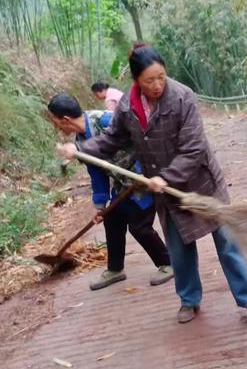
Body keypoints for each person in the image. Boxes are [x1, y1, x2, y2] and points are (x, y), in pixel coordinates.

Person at [57, 46, 247, 326]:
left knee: (226, 242)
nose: (157, 85)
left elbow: (194, 149)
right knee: (180, 248)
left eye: (161, 77)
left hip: (202, 184)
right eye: (149, 80)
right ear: (136, 81)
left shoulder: (183, 97)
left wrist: (166, 176)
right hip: (165, 191)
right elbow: (111, 140)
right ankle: (189, 300)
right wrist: (80, 148)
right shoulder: (127, 107)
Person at [46, 93, 173, 290]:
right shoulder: (81, 139)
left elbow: (143, 135)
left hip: (145, 178)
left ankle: (168, 263)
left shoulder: (105, 120)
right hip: (124, 183)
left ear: (65, 120)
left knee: (139, 226)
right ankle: (115, 269)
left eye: (54, 121)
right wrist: (100, 205)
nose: (55, 126)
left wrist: (147, 168)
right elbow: (96, 172)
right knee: (112, 219)